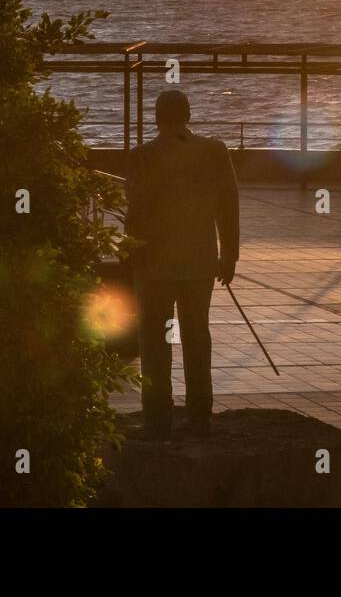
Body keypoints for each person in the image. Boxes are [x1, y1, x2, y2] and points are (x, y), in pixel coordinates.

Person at [125, 90, 239, 440]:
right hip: (199, 261)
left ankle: (157, 418)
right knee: (196, 337)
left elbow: (136, 213)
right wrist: (228, 255)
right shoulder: (213, 151)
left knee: (155, 343)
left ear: (157, 117)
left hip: (155, 265)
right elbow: (228, 205)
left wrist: (132, 257)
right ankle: (200, 416)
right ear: (188, 115)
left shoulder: (141, 156)